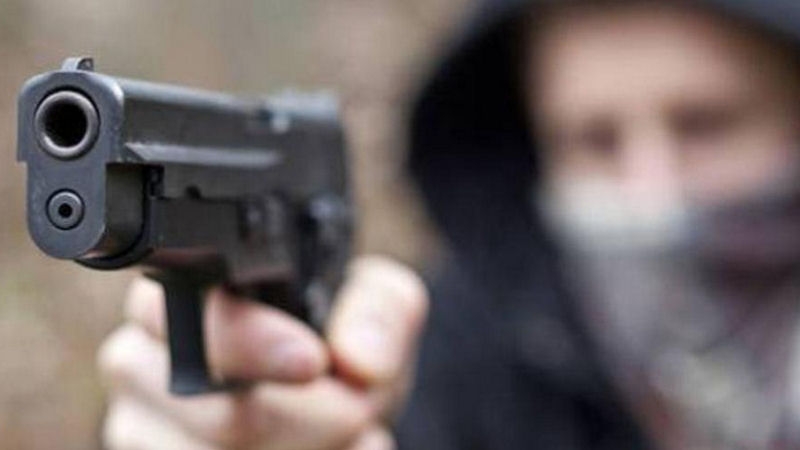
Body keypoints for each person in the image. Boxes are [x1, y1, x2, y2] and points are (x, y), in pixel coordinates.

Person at [98, 0, 800, 448]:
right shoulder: (463, 359)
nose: (651, 190)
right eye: (594, 140)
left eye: (707, 125)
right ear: (534, 148)